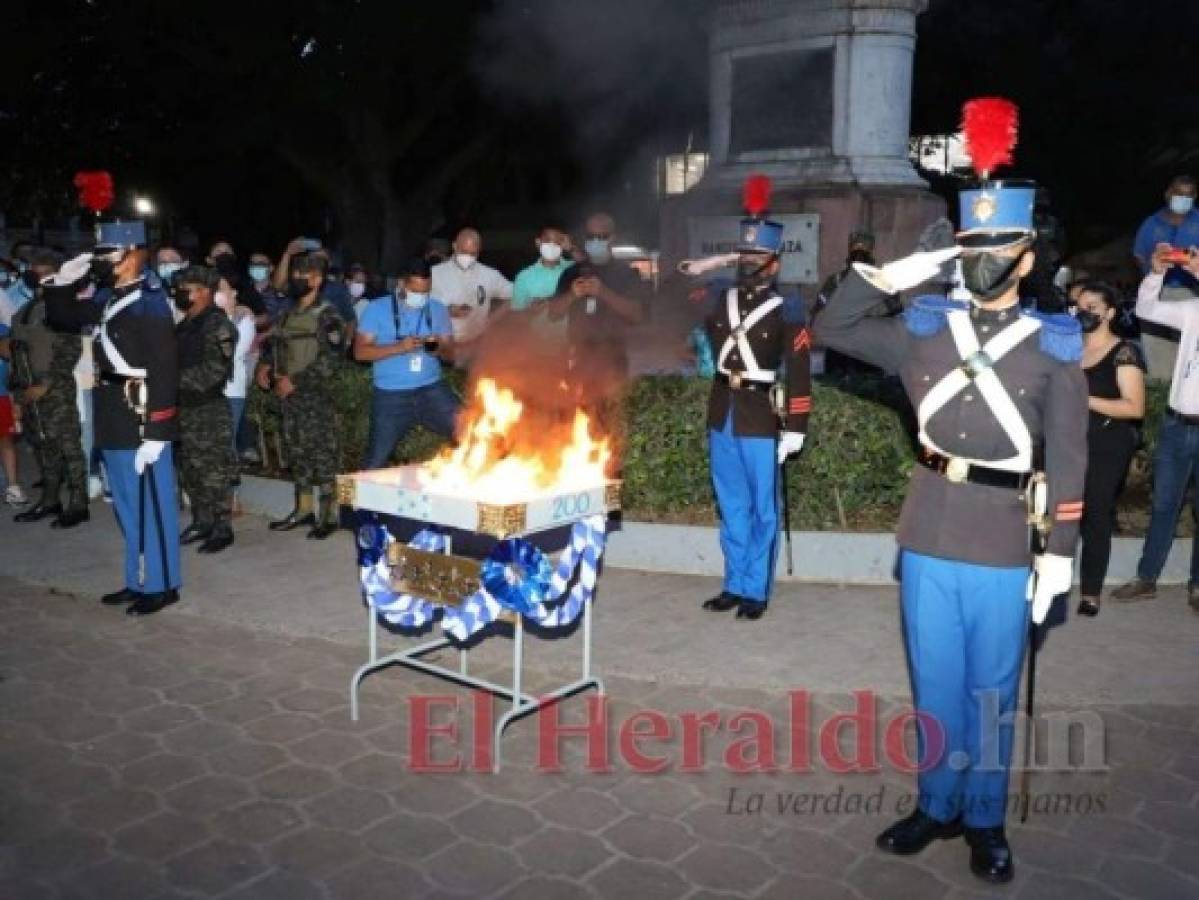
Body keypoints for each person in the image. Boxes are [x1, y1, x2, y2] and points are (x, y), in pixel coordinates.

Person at [814, 128, 1089, 884]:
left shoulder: (1052, 342)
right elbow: (829, 327)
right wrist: (904, 269)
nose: (984, 257)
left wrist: (1058, 557)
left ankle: (984, 820)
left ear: (1027, 256)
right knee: (934, 683)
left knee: (991, 688)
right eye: (971, 243)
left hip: (1004, 537)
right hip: (930, 527)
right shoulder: (922, 330)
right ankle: (934, 805)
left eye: (999, 245)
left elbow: (1069, 455)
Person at [44, 222, 182, 616]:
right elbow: (64, 317)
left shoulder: (151, 303)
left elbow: (165, 370)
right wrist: (61, 283)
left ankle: (163, 584)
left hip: (140, 415)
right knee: (125, 504)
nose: (103, 262)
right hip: (113, 413)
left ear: (134, 253)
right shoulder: (109, 296)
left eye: (109, 254)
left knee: (152, 504)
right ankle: (137, 579)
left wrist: (158, 429)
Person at [700, 180, 811, 622]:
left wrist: (796, 429)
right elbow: (674, 282)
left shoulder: (789, 306)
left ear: (774, 262)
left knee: (763, 508)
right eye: (742, 256)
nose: (748, 264)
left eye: (755, 258)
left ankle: (755, 590)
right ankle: (733, 582)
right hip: (722, 409)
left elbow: (800, 370)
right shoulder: (718, 297)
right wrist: (720, 261)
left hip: (761, 416)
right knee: (730, 503)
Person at [1112, 246, 1199, 612]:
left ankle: (1197, 586)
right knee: (1164, 504)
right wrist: (1156, 273)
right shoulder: (1193, 310)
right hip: (1177, 424)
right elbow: (1147, 310)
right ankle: (1147, 578)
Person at [256, 253, 347, 539]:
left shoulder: (328, 316)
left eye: (303, 275)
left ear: (317, 279)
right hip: (289, 398)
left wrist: (294, 382)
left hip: (316, 398)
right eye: (295, 274)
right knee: (297, 453)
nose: (296, 279)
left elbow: (331, 361)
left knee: (323, 456)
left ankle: (329, 516)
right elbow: (274, 345)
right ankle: (304, 510)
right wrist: (265, 365)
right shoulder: (287, 313)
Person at [1073, 281, 1146, 617]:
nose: (1082, 312)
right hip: (1068, 441)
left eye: (1091, 307)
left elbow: (1134, 408)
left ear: (1110, 313)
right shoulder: (1069, 348)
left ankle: (1091, 592)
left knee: (1095, 514)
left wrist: (1084, 400)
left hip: (1107, 443)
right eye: (1079, 306)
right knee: (1057, 513)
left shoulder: (1125, 352)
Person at [11, 249, 90, 527]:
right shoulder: (25, 310)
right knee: (44, 448)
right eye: (31, 267)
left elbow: (71, 348)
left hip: (53, 389)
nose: (33, 272)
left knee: (68, 446)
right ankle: (50, 500)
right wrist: (18, 393)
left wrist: (46, 384)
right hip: (28, 391)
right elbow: (17, 352)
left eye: (40, 268)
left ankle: (79, 504)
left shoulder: (61, 308)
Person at [355, 259, 458, 469]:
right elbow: (360, 352)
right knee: (376, 458)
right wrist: (399, 348)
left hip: (431, 390)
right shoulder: (376, 309)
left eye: (425, 292)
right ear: (401, 284)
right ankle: (354, 502)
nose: (421, 297)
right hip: (391, 395)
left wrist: (436, 347)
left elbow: (451, 355)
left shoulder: (437, 309)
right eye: (416, 291)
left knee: (470, 431)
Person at [173, 267, 238, 553]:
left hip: (208, 408)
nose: (179, 293)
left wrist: (169, 381)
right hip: (183, 407)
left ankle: (222, 527)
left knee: (215, 471)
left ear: (204, 292)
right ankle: (202, 521)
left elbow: (214, 370)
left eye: (186, 287)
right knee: (191, 469)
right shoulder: (184, 325)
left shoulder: (217, 325)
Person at [1132, 175, 1199, 379]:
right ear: (1168, 194)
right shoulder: (1151, 223)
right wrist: (1153, 269)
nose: (1183, 199)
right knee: (1157, 351)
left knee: (1189, 352)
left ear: (1195, 197)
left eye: (1189, 195)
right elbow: (1138, 255)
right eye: (1179, 194)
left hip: (1192, 293)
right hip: (1158, 293)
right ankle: (1161, 396)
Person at [813, 231, 898, 375]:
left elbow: (894, 312)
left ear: (870, 253)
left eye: (863, 250)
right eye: (856, 250)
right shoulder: (836, 281)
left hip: (868, 349)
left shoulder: (884, 282)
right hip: (839, 349)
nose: (859, 256)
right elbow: (819, 311)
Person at [431, 227, 512, 363]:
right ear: (455, 246)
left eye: (472, 254)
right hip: (442, 347)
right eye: (463, 252)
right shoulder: (435, 274)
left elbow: (517, 293)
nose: (467, 257)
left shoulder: (489, 275)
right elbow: (417, 306)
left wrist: (495, 317)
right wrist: (446, 310)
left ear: (479, 252)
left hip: (475, 346)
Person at [0, 320, 26, 506]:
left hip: (1, 394)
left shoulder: (3, 330)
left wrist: (15, 399)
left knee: (6, 441)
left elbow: (10, 355)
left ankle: (13, 487)